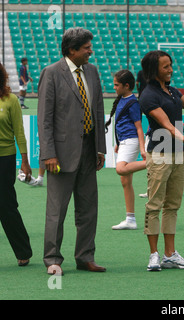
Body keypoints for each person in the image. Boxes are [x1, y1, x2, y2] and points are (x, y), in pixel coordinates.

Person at [37, 27, 106, 276]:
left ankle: (85, 256)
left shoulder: (93, 72)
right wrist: (48, 154)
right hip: (60, 155)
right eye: (86, 48)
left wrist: (100, 148)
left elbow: (98, 110)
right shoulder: (52, 73)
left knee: (88, 209)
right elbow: (44, 119)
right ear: (72, 50)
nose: (91, 51)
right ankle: (53, 259)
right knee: (57, 210)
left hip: (89, 151)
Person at [139, 50, 184, 271]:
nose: (170, 69)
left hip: (177, 153)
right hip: (160, 153)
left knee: (172, 205)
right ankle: (154, 255)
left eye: (170, 65)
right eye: (165, 66)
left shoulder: (171, 91)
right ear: (154, 71)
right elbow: (168, 127)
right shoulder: (148, 95)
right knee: (154, 205)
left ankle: (170, 254)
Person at [0, 63, 33, 267]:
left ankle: (23, 251)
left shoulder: (10, 100)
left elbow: (19, 132)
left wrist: (25, 162)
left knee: (7, 206)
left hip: (5, 158)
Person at [105, 70, 146, 230]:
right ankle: (130, 219)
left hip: (131, 141)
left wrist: (142, 149)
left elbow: (139, 127)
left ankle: (153, 161)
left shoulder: (133, 103)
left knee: (121, 170)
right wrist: (118, 142)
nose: (114, 87)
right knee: (125, 181)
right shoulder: (122, 99)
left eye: (116, 85)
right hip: (124, 141)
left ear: (126, 86)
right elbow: (121, 123)